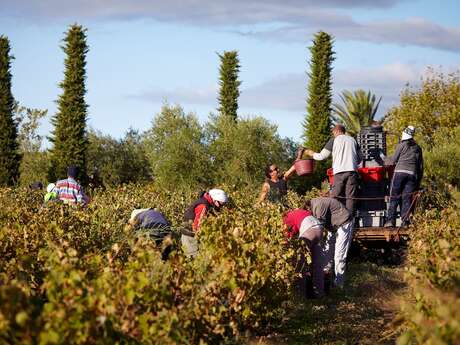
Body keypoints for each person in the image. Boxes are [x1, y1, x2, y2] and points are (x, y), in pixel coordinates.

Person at [302, 124, 361, 215]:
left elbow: (321, 156)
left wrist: (310, 153)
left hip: (339, 173)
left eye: (333, 132)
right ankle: (350, 221)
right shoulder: (353, 140)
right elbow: (360, 158)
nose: (333, 134)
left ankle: (337, 218)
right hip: (352, 171)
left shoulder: (333, 141)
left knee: (336, 197)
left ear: (337, 131)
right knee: (350, 197)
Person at [304, 196, 353, 288]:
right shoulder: (314, 204)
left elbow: (320, 229)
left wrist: (314, 247)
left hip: (344, 223)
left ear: (307, 207)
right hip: (333, 226)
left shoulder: (318, 205)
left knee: (339, 255)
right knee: (327, 256)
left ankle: (339, 285)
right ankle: (326, 281)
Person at [384, 126, 423, 227]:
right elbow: (420, 167)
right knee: (407, 198)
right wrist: (418, 182)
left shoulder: (402, 145)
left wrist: (383, 160)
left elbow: (393, 161)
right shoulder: (418, 148)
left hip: (399, 173)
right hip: (412, 175)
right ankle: (405, 222)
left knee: (394, 197)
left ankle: (390, 221)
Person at [283, 209, 325, 297]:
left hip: (308, 230)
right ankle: (319, 292)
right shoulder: (302, 212)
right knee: (317, 264)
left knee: (300, 263)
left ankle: (300, 294)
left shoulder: (288, 217)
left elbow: (288, 235)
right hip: (320, 229)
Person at [181, 188, 228, 258]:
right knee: (194, 260)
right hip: (190, 237)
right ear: (214, 199)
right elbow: (197, 225)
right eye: (220, 204)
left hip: (192, 235)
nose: (220, 207)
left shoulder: (206, 203)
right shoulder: (203, 206)